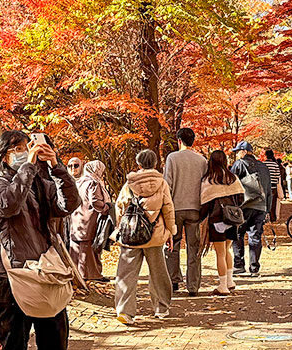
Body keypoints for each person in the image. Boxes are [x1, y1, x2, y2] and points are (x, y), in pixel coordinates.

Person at [0, 131, 81, 350]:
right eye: (17, 149)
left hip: (45, 273)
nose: (24, 153)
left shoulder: (41, 183)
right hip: (11, 276)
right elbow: (8, 205)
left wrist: (56, 165)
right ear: (3, 155)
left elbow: (69, 204)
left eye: (26, 147)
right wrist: (27, 165)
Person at [114, 149, 175, 324]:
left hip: (131, 235)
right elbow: (168, 209)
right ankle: (161, 308)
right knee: (158, 272)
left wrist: (121, 228)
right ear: (155, 164)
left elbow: (120, 208)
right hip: (155, 233)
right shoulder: (162, 183)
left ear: (138, 164)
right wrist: (171, 232)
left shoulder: (129, 184)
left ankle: (125, 312)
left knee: (126, 274)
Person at [162, 128, 207, 296]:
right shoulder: (202, 160)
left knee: (172, 245)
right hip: (195, 208)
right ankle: (193, 286)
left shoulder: (172, 158)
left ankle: (173, 280)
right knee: (193, 247)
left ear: (179, 140)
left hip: (175, 208)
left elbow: (168, 184)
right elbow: (205, 186)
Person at [199, 150, 245, 295]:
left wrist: (199, 219)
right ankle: (230, 281)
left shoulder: (208, 181)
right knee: (227, 250)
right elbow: (241, 199)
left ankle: (223, 286)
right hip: (232, 219)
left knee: (219, 253)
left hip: (216, 220)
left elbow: (205, 205)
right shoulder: (233, 178)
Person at [230, 141, 271, 276]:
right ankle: (254, 267)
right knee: (255, 236)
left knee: (238, 234)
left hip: (244, 205)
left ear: (244, 151)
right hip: (261, 205)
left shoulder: (239, 164)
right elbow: (269, 189)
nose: (236, 154)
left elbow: (230, 183)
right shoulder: (264, 167)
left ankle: (239, 265)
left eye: (237, 152)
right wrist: (268, 209)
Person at [69, 160, 111, 281]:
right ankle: (92, 275)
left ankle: (78, 275)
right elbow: (95, 201)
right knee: (90, 249)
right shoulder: (93, 183)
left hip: (77, 219)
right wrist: (106, 207)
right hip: (89, 219)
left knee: (77, 249)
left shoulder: (79, 182)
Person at [262, 149, 281, 222]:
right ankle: (273, 218)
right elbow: (278, 176)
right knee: (273, 203)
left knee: (265, 202)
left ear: (266, 156)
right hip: (273, 186)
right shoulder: (275, 165)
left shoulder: (263, 164)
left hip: (265, 186)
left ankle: (265, 217)